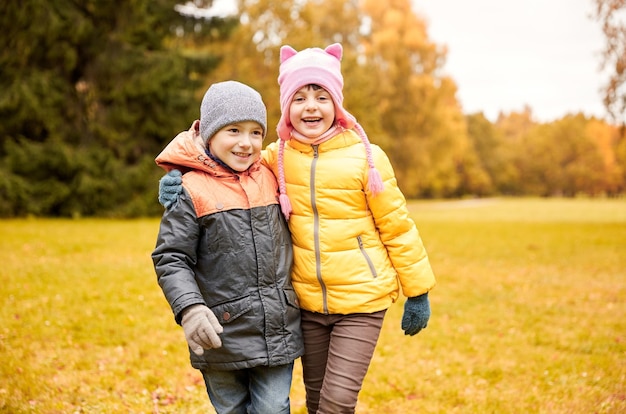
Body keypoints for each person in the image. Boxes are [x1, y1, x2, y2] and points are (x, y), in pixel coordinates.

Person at [159, 44, 436, 414]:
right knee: (316, 399)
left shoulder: (367, 158)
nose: (310, 106)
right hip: (305, 303)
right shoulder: (275, 157)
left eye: (321, 96)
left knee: (336, 403)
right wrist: (175, 176)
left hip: (361, 299)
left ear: (337, 103)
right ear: (286, 107)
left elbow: (397, 226)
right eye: (299, 97)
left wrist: (417, 290)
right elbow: (216, 159)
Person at [151, 80, 303, 414]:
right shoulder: (190, 190)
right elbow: (171, 257)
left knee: (274, 408)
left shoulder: (272, 173)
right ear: (208, 133)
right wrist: (189, 308)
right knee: (231, 409)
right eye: (233, 130)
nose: (246, 143)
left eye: (255, 133)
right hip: (220, 332)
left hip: (275, 326)